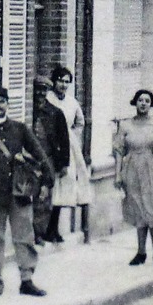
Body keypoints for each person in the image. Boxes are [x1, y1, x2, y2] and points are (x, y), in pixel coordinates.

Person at [0, 84, 54, 297]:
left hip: (20, 192)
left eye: (1, 101)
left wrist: (46, 181)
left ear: (7, 104)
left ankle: (26, 279)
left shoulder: (20, 129)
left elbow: (40, 155)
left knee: (24, 235)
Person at [113, 88, 153, 268]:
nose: (143, 104)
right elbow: (118, 151)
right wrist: (118, 174)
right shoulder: (126, 125)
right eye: (140, 100)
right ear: (135, 102)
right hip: (132, 171)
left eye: (147, 101)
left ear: (151, 104)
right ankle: (141, 253)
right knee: (139, 211)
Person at [47, 65, 92, 242]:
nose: (63, 85)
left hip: (68, 147)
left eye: (67, 82)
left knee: (63, 186)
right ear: (54, 81)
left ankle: (54, 228)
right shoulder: (48, 99)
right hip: (51, 146)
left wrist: (72, 135)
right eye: (60, 81)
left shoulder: (72, 103)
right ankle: (45, 229)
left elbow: (80, 122)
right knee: (50, 187)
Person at [31, 78, 71, 244]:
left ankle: (40, 233)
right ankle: (30, 232)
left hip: (48, 160)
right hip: (29, 160)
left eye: (43, 90)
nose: (40, 93)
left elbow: (64, 140)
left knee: (44, 198)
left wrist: (63, 164)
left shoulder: (55, 112)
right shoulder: (28, 110)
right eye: (37, 89)